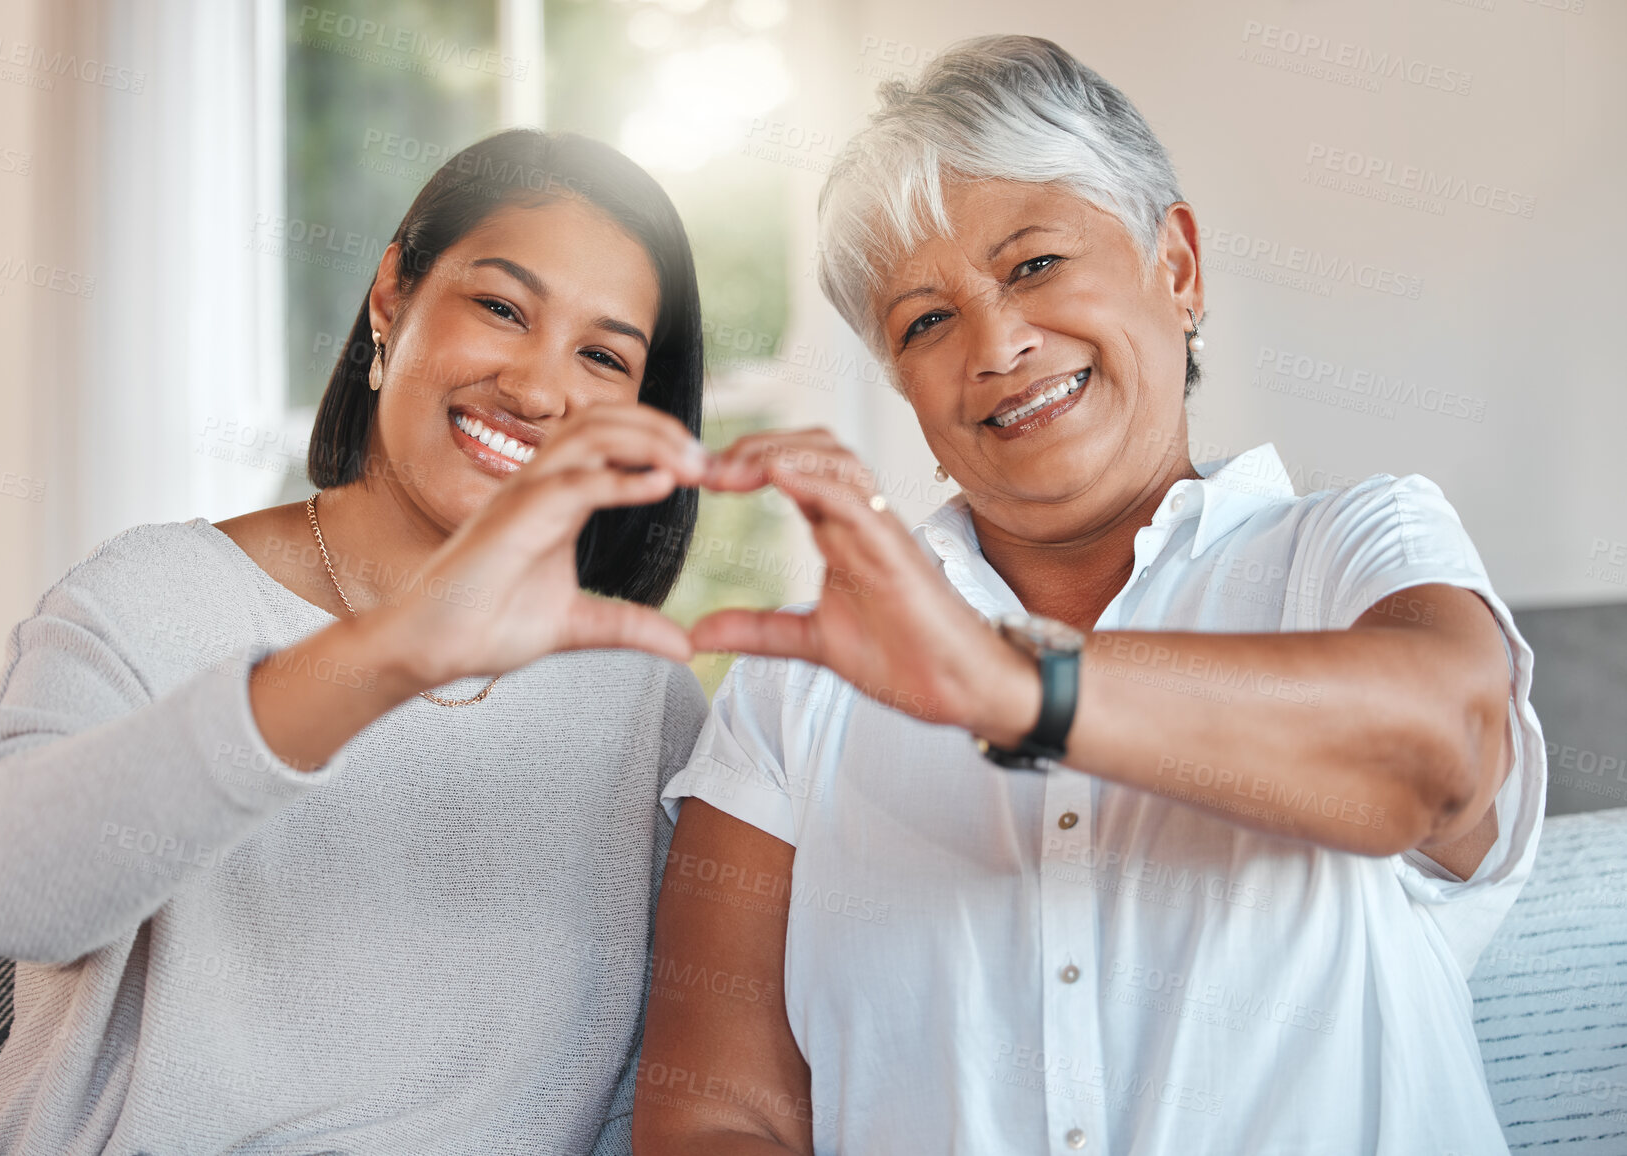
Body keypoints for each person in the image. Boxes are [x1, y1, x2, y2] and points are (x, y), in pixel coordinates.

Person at [634, 35, 1544, 1156]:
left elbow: (1442, 754)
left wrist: (1022, 686)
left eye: (1032, 266)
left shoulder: (1350, 548)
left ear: (1177, 267)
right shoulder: (795, 684)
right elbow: (715, 1116)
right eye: (923, 321)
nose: (997, 342)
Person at [0, 129, 712, 1156]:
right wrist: (390, 652)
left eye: (603, 356)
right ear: (391, 294)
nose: (537, 390)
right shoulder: (147, 599)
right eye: (500, 307)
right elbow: (13, 897)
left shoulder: (640, 695)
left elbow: (647, 1091)